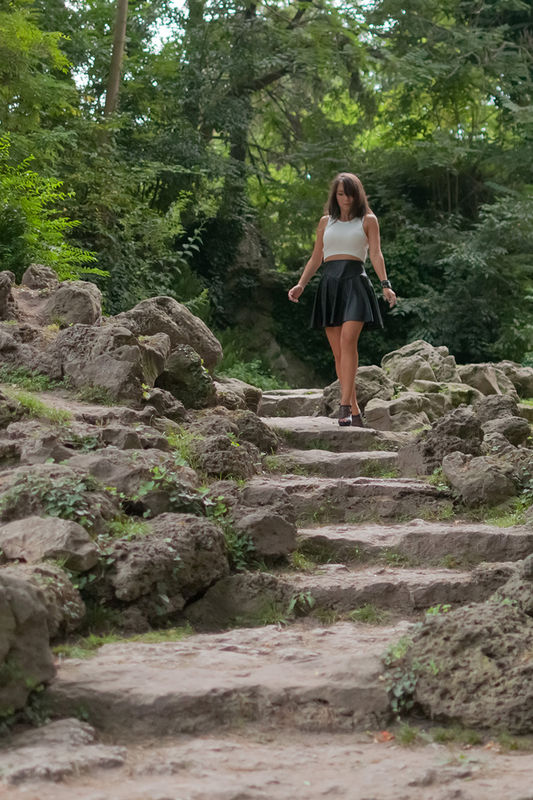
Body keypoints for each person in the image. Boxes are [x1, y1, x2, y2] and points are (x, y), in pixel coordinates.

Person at [288, 172, 397, 427]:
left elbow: (376, 254)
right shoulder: (325, 222)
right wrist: (301, 284)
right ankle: (355, 411)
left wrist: (385, 285)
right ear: (334, 196)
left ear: (357, 195)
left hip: (355, 282)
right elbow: (316, 257)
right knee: (338, 352)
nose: (345, 199)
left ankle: (344, 404)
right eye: (340, 194)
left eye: (349, 194)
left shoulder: (368, 220)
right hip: (330, 284)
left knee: (348, 341)